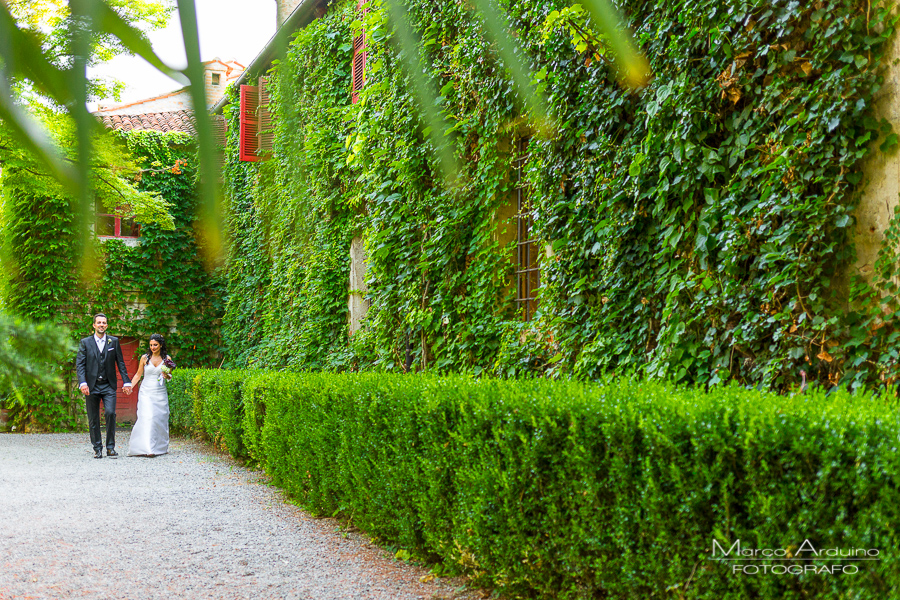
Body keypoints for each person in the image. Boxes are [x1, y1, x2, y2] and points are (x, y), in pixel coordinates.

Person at [75, 313, 133, 459]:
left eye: (104, 323)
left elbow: (120, 363)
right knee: (93, 418)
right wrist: (83, 383)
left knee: (110, 413)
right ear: (94, 325)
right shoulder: (85, 343)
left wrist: (126, 381)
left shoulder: (113, 342)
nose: (101, 325)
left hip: (108, 385)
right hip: (92, 386)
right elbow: (80, 365)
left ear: (107, 325)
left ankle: (110, 447)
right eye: (99, 322)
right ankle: (97, 448)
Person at [127, 334, 172, 457]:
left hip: (160, 391)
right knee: (148, 417)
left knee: (159, 418)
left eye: (155, 345)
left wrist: (166, 375)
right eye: (151, 345)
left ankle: (160, 447)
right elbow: (138, 375)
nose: (153, 347)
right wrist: (129, 386)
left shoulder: (167, 358)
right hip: (146, 391)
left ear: (161, 345)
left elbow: (169, 375)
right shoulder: (144, 358)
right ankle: (148, 448)